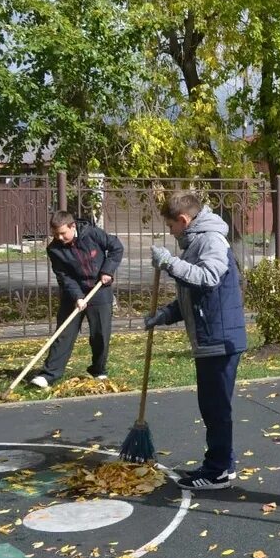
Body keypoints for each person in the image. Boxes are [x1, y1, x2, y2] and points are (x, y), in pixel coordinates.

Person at [144, 193, 247, 490]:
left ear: (184, 220)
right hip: (208, 336)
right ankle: (220, 463)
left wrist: (170, 264)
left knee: (216, 408)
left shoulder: (211, 240)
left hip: (220, 337)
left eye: (171, 226)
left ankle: (217, 472)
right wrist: (165, 315)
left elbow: (209, 277)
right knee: (212, 406)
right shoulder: (196, 243)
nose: (171, 232)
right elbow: (195, 295)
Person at [30, 211, 124, 389]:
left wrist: (107, 270)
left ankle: (98, 370)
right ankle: (49, 374)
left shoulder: (92, 234)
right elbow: (64, 276)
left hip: (99, 288)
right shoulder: (54, 249)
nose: (59, 237)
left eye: (62, 233)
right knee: (64, 333)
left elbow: (116, 247)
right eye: (55, 234)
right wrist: (77, 297)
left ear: (72, 227)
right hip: (73, 293)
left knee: (101, 334)